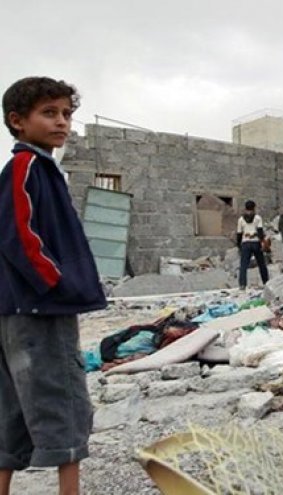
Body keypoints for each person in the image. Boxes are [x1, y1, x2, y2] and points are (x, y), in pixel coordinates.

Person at [0, 77, 107, 495]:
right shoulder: (27, 167)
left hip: (20, 306)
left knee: (12, 407)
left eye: (66, 113)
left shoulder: (42, 169)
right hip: (41, 308)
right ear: (18, 121)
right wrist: (56, 284)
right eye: (49, 113)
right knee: (63, 400)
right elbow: (19, 234)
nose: (62, 122)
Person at [236, 200, 269, 290]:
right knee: (261, 264)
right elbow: (260, 232)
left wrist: (239, 245)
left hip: (245, 243)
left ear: (245, 208)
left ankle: (242, 284)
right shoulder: (258, 218)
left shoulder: (241, 219)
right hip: (256, 242)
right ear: (254, 208)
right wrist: (263, 242)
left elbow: (239, 234)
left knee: (243, 265)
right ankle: (266, 282)